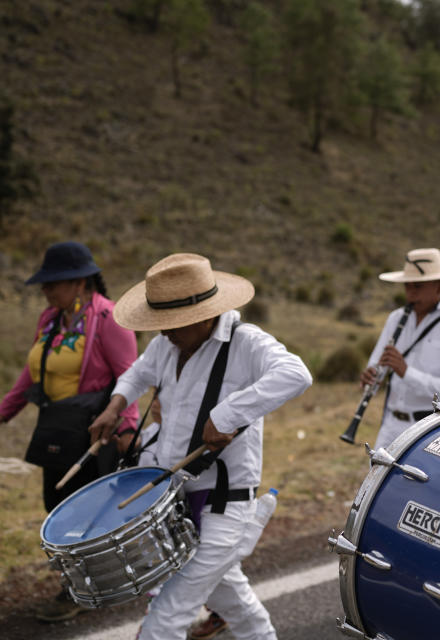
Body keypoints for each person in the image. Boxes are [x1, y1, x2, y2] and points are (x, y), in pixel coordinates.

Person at [88, 253, 312, 640]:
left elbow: (296, 374)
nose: (164, 333)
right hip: (174, 501)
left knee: (167, 615)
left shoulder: (246, 343)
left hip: (224, 504)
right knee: (235, 604)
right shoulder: (166, 346)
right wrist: (115, 405)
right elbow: (139, 371)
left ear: (203, 315)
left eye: (171, 324)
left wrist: (228, 414)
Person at [0, 241, 139, 623]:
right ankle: (87, 578)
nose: (46, 290)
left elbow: (131, 374)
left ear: (79, 282)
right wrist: (4, 412)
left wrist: (126, 428)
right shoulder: (50, 320)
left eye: (53, 283)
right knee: (55, 503)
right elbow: (32, 372)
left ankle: (81, 589)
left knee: (84, 511)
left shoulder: (109, 318)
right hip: (55, 427)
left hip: (93, 430)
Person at [363, 248, 440, 449]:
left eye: (418, 286)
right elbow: (376, 363)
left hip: (429, 429)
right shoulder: (395, 318)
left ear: (439, 286)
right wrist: (371, 376)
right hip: (390, 427)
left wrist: (406, 372)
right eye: (407, 286)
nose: (410, 293)